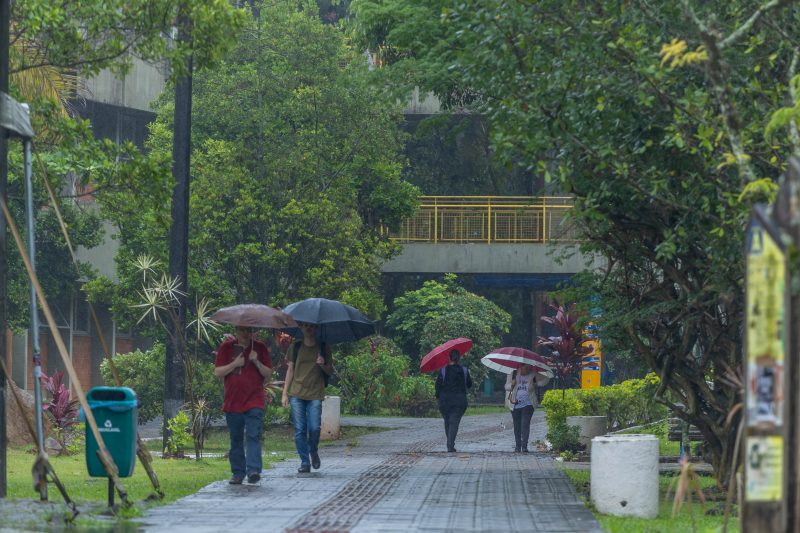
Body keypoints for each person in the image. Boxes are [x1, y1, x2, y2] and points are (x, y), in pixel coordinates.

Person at [214, 325, 273, 484]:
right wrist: (234, 364)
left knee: (253, 435)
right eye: (241, 330)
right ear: (236, 331)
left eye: (248, 330)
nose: (245, 333)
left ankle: (253, 470)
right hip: (233, 401)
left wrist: (256, 361)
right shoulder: (227, 347)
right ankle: (238, 473)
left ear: (252, 331)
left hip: (254, 400)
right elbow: (218, 372)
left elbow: (268, 374)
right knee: (236, 438)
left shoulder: (259, 348)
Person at [282, 322, 333, 473]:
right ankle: (305, 462)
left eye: (312, 326)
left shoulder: (324, 347)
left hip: (315, 393)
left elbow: (330, 371)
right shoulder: (295, 347)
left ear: (316, 328)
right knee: (300, 429)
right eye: (306, 326)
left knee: (314, 428)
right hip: (296, 393)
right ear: (301, 328)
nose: (309, 328)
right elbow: (290, 370)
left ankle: (313, 450)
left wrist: (322, 364)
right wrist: (285, 393)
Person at [435, 349, 472, 452]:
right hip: (459, 401)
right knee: (454, 422)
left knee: (447, 421)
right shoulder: (464, 370)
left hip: (445, 401)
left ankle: (450, 443)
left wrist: (438, 397)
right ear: (458, 359)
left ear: (449, 358)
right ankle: (450, 444)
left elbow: (437, 386)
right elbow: (469, 384)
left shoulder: (443, 371)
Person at [509, 364, 537, 452]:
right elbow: (506, 386)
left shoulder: (533, 375)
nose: (527, 370)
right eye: (525, 368)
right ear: (520, 368)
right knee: (517, 426)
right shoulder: (513, 373)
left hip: (528, 404)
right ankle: (518, 446)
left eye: (529, 368)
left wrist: (535, 383)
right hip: (515, 404)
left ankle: (524, 446)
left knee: (525, 424)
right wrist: (511, 384)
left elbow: (543, 381)